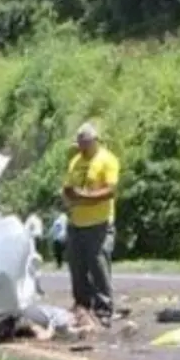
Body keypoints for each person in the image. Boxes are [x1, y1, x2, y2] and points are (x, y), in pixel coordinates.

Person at [61, 120, 120, 325]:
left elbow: (111, 190)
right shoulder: (76, 161)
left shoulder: (107, 160)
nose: (82, 147)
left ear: (95, 141)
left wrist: (86, 196)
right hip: (76, 221)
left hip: (99, 222)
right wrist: (69, 195)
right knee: (76, 266)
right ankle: (82, 305)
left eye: (85, 142)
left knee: (98, 265)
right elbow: (68, 186)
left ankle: (104, 307)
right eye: (80, 143)